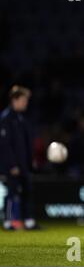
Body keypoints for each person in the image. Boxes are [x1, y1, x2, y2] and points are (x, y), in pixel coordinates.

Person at [0, 85, 40, 230]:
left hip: (24, 164)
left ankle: (28, 221)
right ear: (14, 100)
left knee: (27, 191)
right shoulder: (6, 119)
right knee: (11, 193)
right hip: (13, 165)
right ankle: (8, 222)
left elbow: (26, 143)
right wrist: (12, 165)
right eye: (23, 100)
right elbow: (5, 145)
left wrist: (31, 160)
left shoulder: (21, 118)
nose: (25, 103)